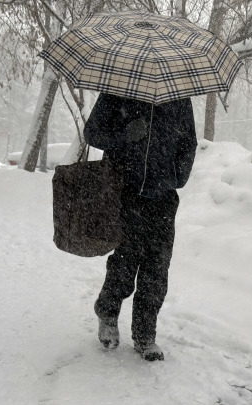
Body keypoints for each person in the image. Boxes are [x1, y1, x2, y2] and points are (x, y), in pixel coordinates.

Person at [84, 93, 197, 361]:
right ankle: (108, 313)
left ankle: (145, 335)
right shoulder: (117, 91)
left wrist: (177, 176)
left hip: (163, 197)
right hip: (124, 190)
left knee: (157, 268)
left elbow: (188, 141)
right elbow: (92, 133)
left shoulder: (178, 97)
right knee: (125, 261)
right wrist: (124, 134)